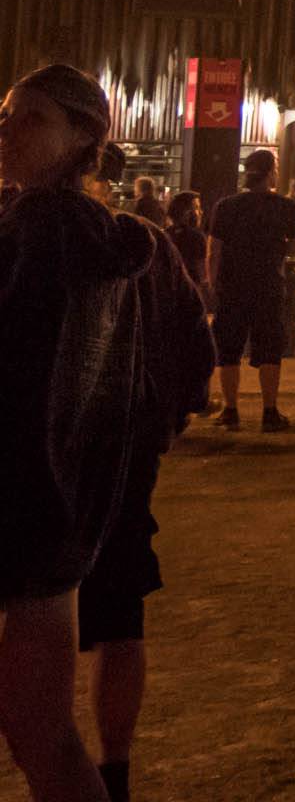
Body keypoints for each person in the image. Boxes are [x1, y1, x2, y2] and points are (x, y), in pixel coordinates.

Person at [0, 67, 165, 802]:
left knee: (39, 729)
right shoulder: (94, 237)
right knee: (41, 729)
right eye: (6, 116)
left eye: (31, 119)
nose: (8, 131)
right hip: (55, 515)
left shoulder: (42, 230)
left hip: (21, 501)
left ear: (82, 139)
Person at [79, 186, 212, 802]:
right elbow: (195, 339)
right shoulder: (151, 245)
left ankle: (63, 764)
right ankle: (113, 770)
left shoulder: (22, 235)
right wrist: (167, 419)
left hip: (54, 465)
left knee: (41, 617)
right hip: (127, 457)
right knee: (119, 616)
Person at [205, 148, 295, 432]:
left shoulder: (226, 206)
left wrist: (212, 283)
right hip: (269, 285)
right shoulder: (286, 207)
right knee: (269, 348)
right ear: (271, 173)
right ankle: (269, 411)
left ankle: (230, 410)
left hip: (231, 286)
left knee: (228, 349)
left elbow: (213, 249)